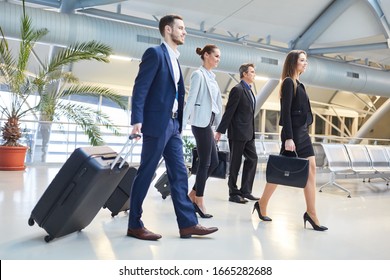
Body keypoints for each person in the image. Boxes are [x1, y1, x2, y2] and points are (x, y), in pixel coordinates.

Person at [127, 14, 218, 240]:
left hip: (173, 125)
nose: (184, 32)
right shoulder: (155, 54)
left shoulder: (175, 59)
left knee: (179, 174)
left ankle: (188, 224)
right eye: (181, 28)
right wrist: (137, 119)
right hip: (157, 124)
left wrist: (178, 124)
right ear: (168, 30)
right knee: (146, 173)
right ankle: (134, 224)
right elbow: (141, 88)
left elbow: (177, 94)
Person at [253, 50, 328, 231]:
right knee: (281, 171)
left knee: (311, 170)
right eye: (302, 60)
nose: (305, 63)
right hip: (293, 133)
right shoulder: (288, 83)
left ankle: (311, 213)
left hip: (303, 133)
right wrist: (288, 138)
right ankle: (262, 204)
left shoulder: (298, 83)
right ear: (293, 62)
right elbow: (285, 112)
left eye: (306, 60)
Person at [182, 44, 222, 218]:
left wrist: (219, 128)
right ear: (206, 55)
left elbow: (216, 104)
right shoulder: (198, 75)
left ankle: (192, 195)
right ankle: (199, 200)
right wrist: (181, 124)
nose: (218, 59)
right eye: (216, 56)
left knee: (214, 162)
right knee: (206, 162)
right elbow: (190, 100)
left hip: (209, 124)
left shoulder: (212, 77)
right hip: (200, 123)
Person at [215, 63, 259, 204]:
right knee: (235, 163)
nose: (254, 74)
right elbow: (229, 111)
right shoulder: (237, 89)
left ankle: (246, 190)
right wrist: (220, 130)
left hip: (249, 133)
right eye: (252, 72)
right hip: (238, 133)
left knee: (253, 159)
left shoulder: (250, 91)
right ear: (244, 74)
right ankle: (233, 193)